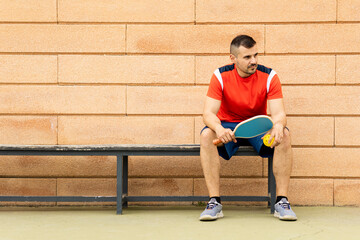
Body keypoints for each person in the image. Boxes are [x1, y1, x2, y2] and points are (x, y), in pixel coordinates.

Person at [199, 35, 297, 221]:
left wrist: (277, 124)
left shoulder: (269, 76)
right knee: (206, 135)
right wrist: (219, 128)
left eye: (256, 55)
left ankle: (282, 202)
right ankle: (214, 202)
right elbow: (208, 114)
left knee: (284, 133)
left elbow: (279, 113)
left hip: (257, 127)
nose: (254, 61)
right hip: (227, 127)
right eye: (247, 57)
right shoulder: (220, 76)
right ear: (233, 58)